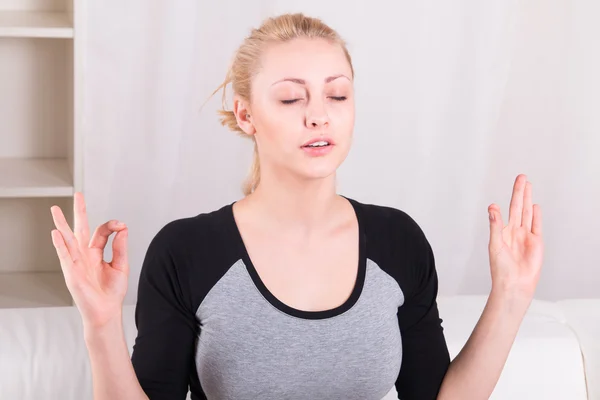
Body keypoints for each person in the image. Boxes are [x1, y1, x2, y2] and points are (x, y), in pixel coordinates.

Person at [49, 12, 544, 400]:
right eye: (290, 99)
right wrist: (100, 327)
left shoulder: (399, 242)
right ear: (246, 114)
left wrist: (511, 296)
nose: (318, 116)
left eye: (337, 95)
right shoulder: (186, 251)